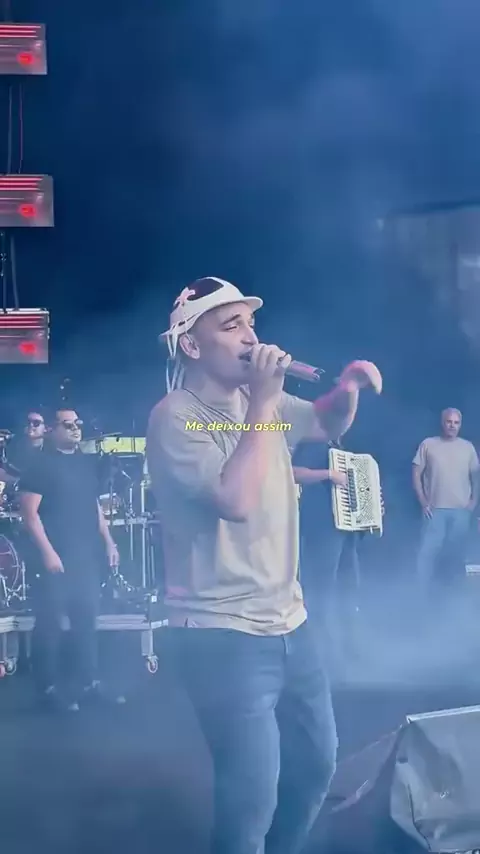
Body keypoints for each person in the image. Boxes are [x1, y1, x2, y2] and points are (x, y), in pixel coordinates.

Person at [147, 276, 382, 854]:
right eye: (231, 327)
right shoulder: (177, 416)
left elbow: (326, 422)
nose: (251, 338)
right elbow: (235, 500)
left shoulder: (267, 408)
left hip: (289, 622)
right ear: (191, 345)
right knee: (251, 797)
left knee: (316, 767)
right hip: (220, 634)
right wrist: (261, 401)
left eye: (251, 324)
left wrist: (348, 387)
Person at [19, 408, 122, 712]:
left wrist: (109, 541)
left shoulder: (83, 462)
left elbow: (94, 506)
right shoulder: (39, 465)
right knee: (49, 623)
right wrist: (47, 552)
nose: (76, 428)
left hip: (84, 555)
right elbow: (29, 514)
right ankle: (47, 689)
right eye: (68, 424)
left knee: (86, 621)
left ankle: (88, 683)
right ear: (52, 429)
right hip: (54, 556)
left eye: (78, 423)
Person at [292, 439, 361, 670]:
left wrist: (370, 506)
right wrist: (328, 474)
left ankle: (347, 652)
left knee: (347, 592)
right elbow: (293, 472)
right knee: (322, 593)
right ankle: (321, 655)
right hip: (321, 529)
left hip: (346, 533)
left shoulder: (340, 447)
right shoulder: (312, 443)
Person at [413, 407, 479, 602]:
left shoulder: (467, 448)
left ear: (460, 425)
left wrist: (473, 502)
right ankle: (421, 596)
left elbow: (476, 477)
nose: (452, 426)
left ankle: (454, 597)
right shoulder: (428, 444)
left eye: (456, 423)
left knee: (456, 555)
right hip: (434, 511)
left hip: (460, 512)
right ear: (443, 423)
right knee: (427, 554)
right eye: (449, 422)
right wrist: (423, 502)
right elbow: (416, 473)